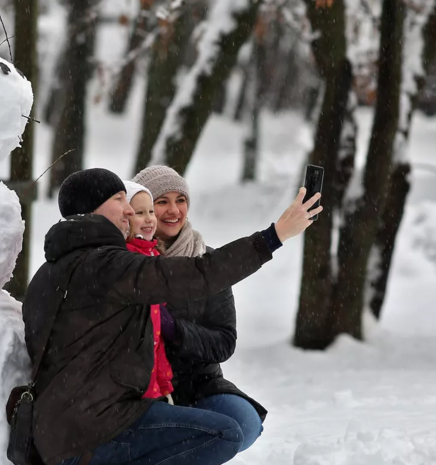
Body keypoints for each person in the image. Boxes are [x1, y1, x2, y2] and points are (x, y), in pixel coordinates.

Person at [22, 168, 321, 465]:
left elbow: (220, 336)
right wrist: (273, 237)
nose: (130, 211)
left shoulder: (54, 269)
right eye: (119, 199)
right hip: (91, 432)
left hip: (65, 429)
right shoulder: (108, 266)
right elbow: (200, 273)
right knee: (225, 433)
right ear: (92, 208)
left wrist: (175, 332)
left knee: (236, 424)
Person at [132, 165, 264, 452]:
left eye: (180, 200)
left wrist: (175, 331)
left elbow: (224, 342)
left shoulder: (208, 262)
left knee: (244, 424)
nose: (173, 211)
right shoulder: (129, 262)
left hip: (199, 385)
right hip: (143, 390)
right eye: (161, 201)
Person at [122, 180, 174, 402]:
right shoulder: (125, 259)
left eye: (151, 211)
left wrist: (164, 384)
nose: (149, 219)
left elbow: (157, 338)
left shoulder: (154, 257)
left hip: (152, 383)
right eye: (140, 212)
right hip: (132, 385)